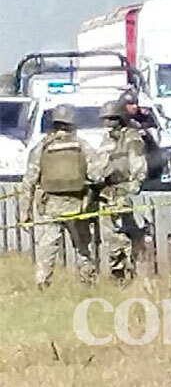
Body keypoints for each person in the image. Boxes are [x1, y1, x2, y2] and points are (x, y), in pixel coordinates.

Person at [17, 105, 99, 288]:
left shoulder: (42, 147)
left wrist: (24, 211)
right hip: (77, 203)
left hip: (49, 205)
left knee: (47, 246)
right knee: (83, 246)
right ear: (73, 123)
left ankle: (42, 283)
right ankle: (87, 281)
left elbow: (28, 181)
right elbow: (96, 174)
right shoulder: (82, 145)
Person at [96, 100, 148, 281]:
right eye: (105, 120)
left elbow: (138, 166)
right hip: (107, 193)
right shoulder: (107, 140)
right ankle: (117, 272)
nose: (107, 123)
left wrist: (130, 190)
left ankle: (129, 273)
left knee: (125, 235)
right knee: (110, 237)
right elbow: (100, 166)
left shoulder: (131, 138)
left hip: (123, 192)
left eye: (112, 119)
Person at [118, 89, 165, 179]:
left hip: (147, 160)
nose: (135, 106)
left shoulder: (144, 117)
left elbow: (154, 135)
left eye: (136, 103)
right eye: (131, 104)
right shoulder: (118, 120)